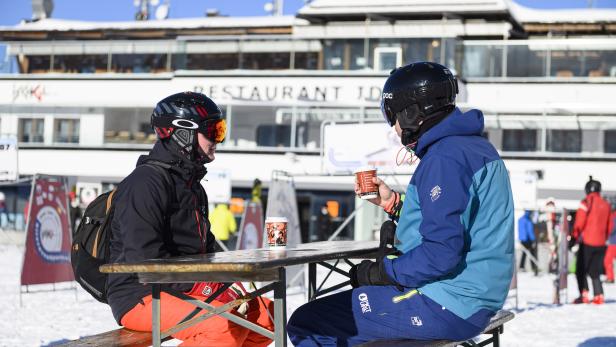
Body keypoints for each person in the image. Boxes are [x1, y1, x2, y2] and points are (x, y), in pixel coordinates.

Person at [287, 62, 514, 345]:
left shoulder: (445, 158)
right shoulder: (473, 148)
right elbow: (456, 218)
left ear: (412, 113)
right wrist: (394, 204)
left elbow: (441, 253)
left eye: (391, 116)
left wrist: (381, 272)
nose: (393, 128)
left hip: (448, 301)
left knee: (308, 323)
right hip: (475, 294)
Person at [107, 91, 273, 347]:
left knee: (265, 317)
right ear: (182, 132)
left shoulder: (193, 187)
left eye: (221, 129)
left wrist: (231, 279)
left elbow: (206, 250)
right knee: (222, 327)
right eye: (214, 131)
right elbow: (143, 262)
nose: (218, 139)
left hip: (180, 287)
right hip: (139, 294)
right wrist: (205, 288)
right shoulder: (145, 184)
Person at [571, 176, 611, 304]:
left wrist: (574, 237)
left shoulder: (586, 202)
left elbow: (580, 222)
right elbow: (610, 225)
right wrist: (604, 238)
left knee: (580, 269)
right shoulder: (606, 204)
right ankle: (599, 295)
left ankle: (584, 294)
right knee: (595, 270)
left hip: (587, 242)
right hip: (601, 243)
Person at [518, 210, 538, 276]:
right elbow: (530, 231)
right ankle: (534, 267)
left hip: (522, 240)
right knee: (532, 253)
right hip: (528, 240)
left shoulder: (520, 219)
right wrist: (533, 240)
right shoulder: (528, 220)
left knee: (524, 254)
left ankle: (521, 266)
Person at [604, 199, 616, 284]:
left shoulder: (613, 216)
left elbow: (611, 229)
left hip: (613, 242)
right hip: (613, 241)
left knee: (608, 260)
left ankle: (610, 277)